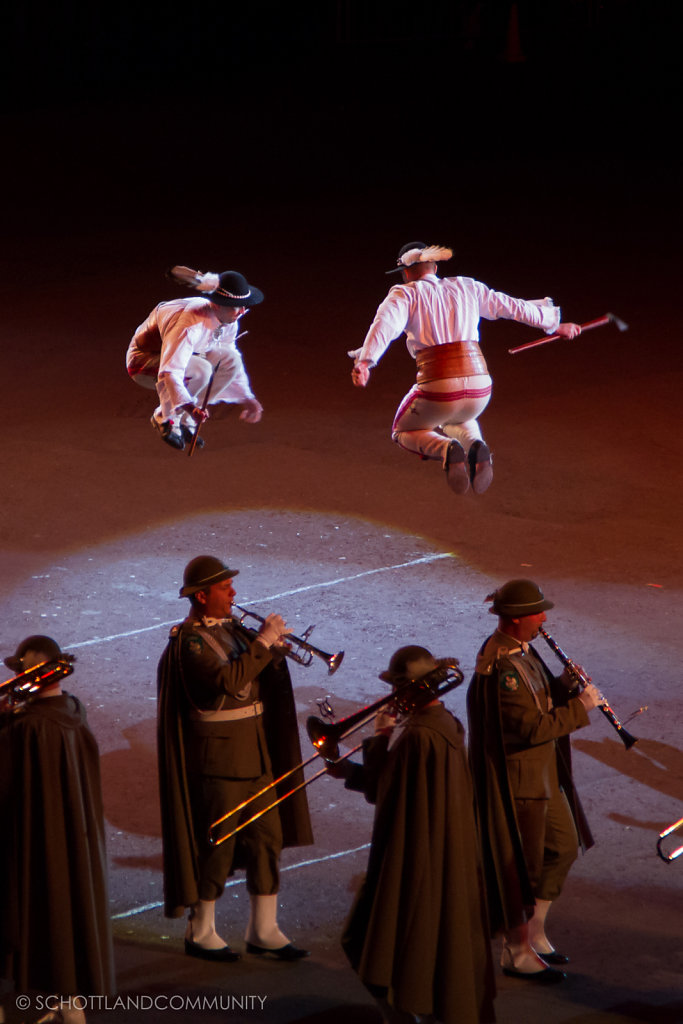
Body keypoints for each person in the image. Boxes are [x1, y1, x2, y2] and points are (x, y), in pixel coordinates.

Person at [157, 555, 314, 963]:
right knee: (219, 846)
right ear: (202, 595)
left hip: (255, 754)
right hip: (220, 761)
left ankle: (263, 928)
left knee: (268, 839)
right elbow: (227, 681)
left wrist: (275, 652)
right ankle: (201, 927)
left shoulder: (231, 630)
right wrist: (262, 644)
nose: (234, 594)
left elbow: (258, 675)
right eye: (226, 588)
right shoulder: (190, 642)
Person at [330, 646, 496, 1024]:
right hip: (442, 857)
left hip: (413, 861)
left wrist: (378, 740)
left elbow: (385, 793)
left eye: (398, 688)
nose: (394, 697)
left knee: (363, 942)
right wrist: (354, 771)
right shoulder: (446, 723)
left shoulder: (418, 737)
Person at [349, 242, 582, 495]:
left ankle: (446, 450)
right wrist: (554, 325)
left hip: (439, 386)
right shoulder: (466, 286)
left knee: (403, 430)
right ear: (434, 267)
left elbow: (384, 325)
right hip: (480, 387)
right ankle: (476, 446)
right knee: (459, 415)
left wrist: (365, 362)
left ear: (406, 273)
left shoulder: (405, 294)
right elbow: (513, 306)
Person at [466, 579, 602, 983]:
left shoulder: (522, 652)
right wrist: (580, 707)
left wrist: (562, 687)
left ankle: (535, 932)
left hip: (541, 774)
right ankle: (516, 949)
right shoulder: (503, 666)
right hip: (521, 784)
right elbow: (528, 727)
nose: (544, 618)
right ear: (515, 620)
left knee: (561, 847)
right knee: (520, 870)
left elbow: (537, 700)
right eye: (537, 613)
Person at [0, 636, 115, 1024]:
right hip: (73, 837)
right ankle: (69, 1004)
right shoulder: (73, 711)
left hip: (34, 839)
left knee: (28, 916)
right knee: (68, 916)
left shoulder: (27, 727)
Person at [126, 266, 265, 450]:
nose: (241, 312)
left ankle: (186, 420)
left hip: (188, 358)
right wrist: (190, 406)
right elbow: (170, 371)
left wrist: (246, 398)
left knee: (230, 360)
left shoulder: (229, 319)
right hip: (144, 362)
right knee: (202, 370)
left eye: (243, 306)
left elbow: (227, 354)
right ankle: (166, 418)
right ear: (217, 304)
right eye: (235, 307)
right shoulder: (189, 325)